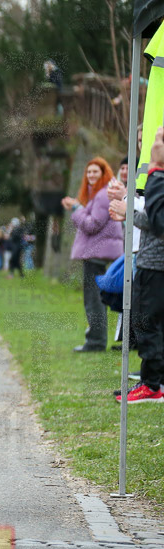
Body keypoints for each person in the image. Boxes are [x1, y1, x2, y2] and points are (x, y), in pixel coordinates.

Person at [62, 156, 122, 352]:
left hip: (97, 253)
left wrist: (77, 210)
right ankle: (96, 339)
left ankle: (96, 341)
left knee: (93, 298)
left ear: (104, 173)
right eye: (88, 172)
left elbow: (92, 224)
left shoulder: (103, 195)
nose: (91, 175)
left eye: (96, 171)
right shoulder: (101, 194)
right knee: (94, 297)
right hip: (97, 251)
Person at [122, 127, 164, 403]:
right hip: (150, 258)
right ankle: (152, 380)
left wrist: (156, 171)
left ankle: (152, 384)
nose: (148, 145)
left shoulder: (156, 175)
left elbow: (158, 220)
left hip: (154, 262)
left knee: (145, 321)